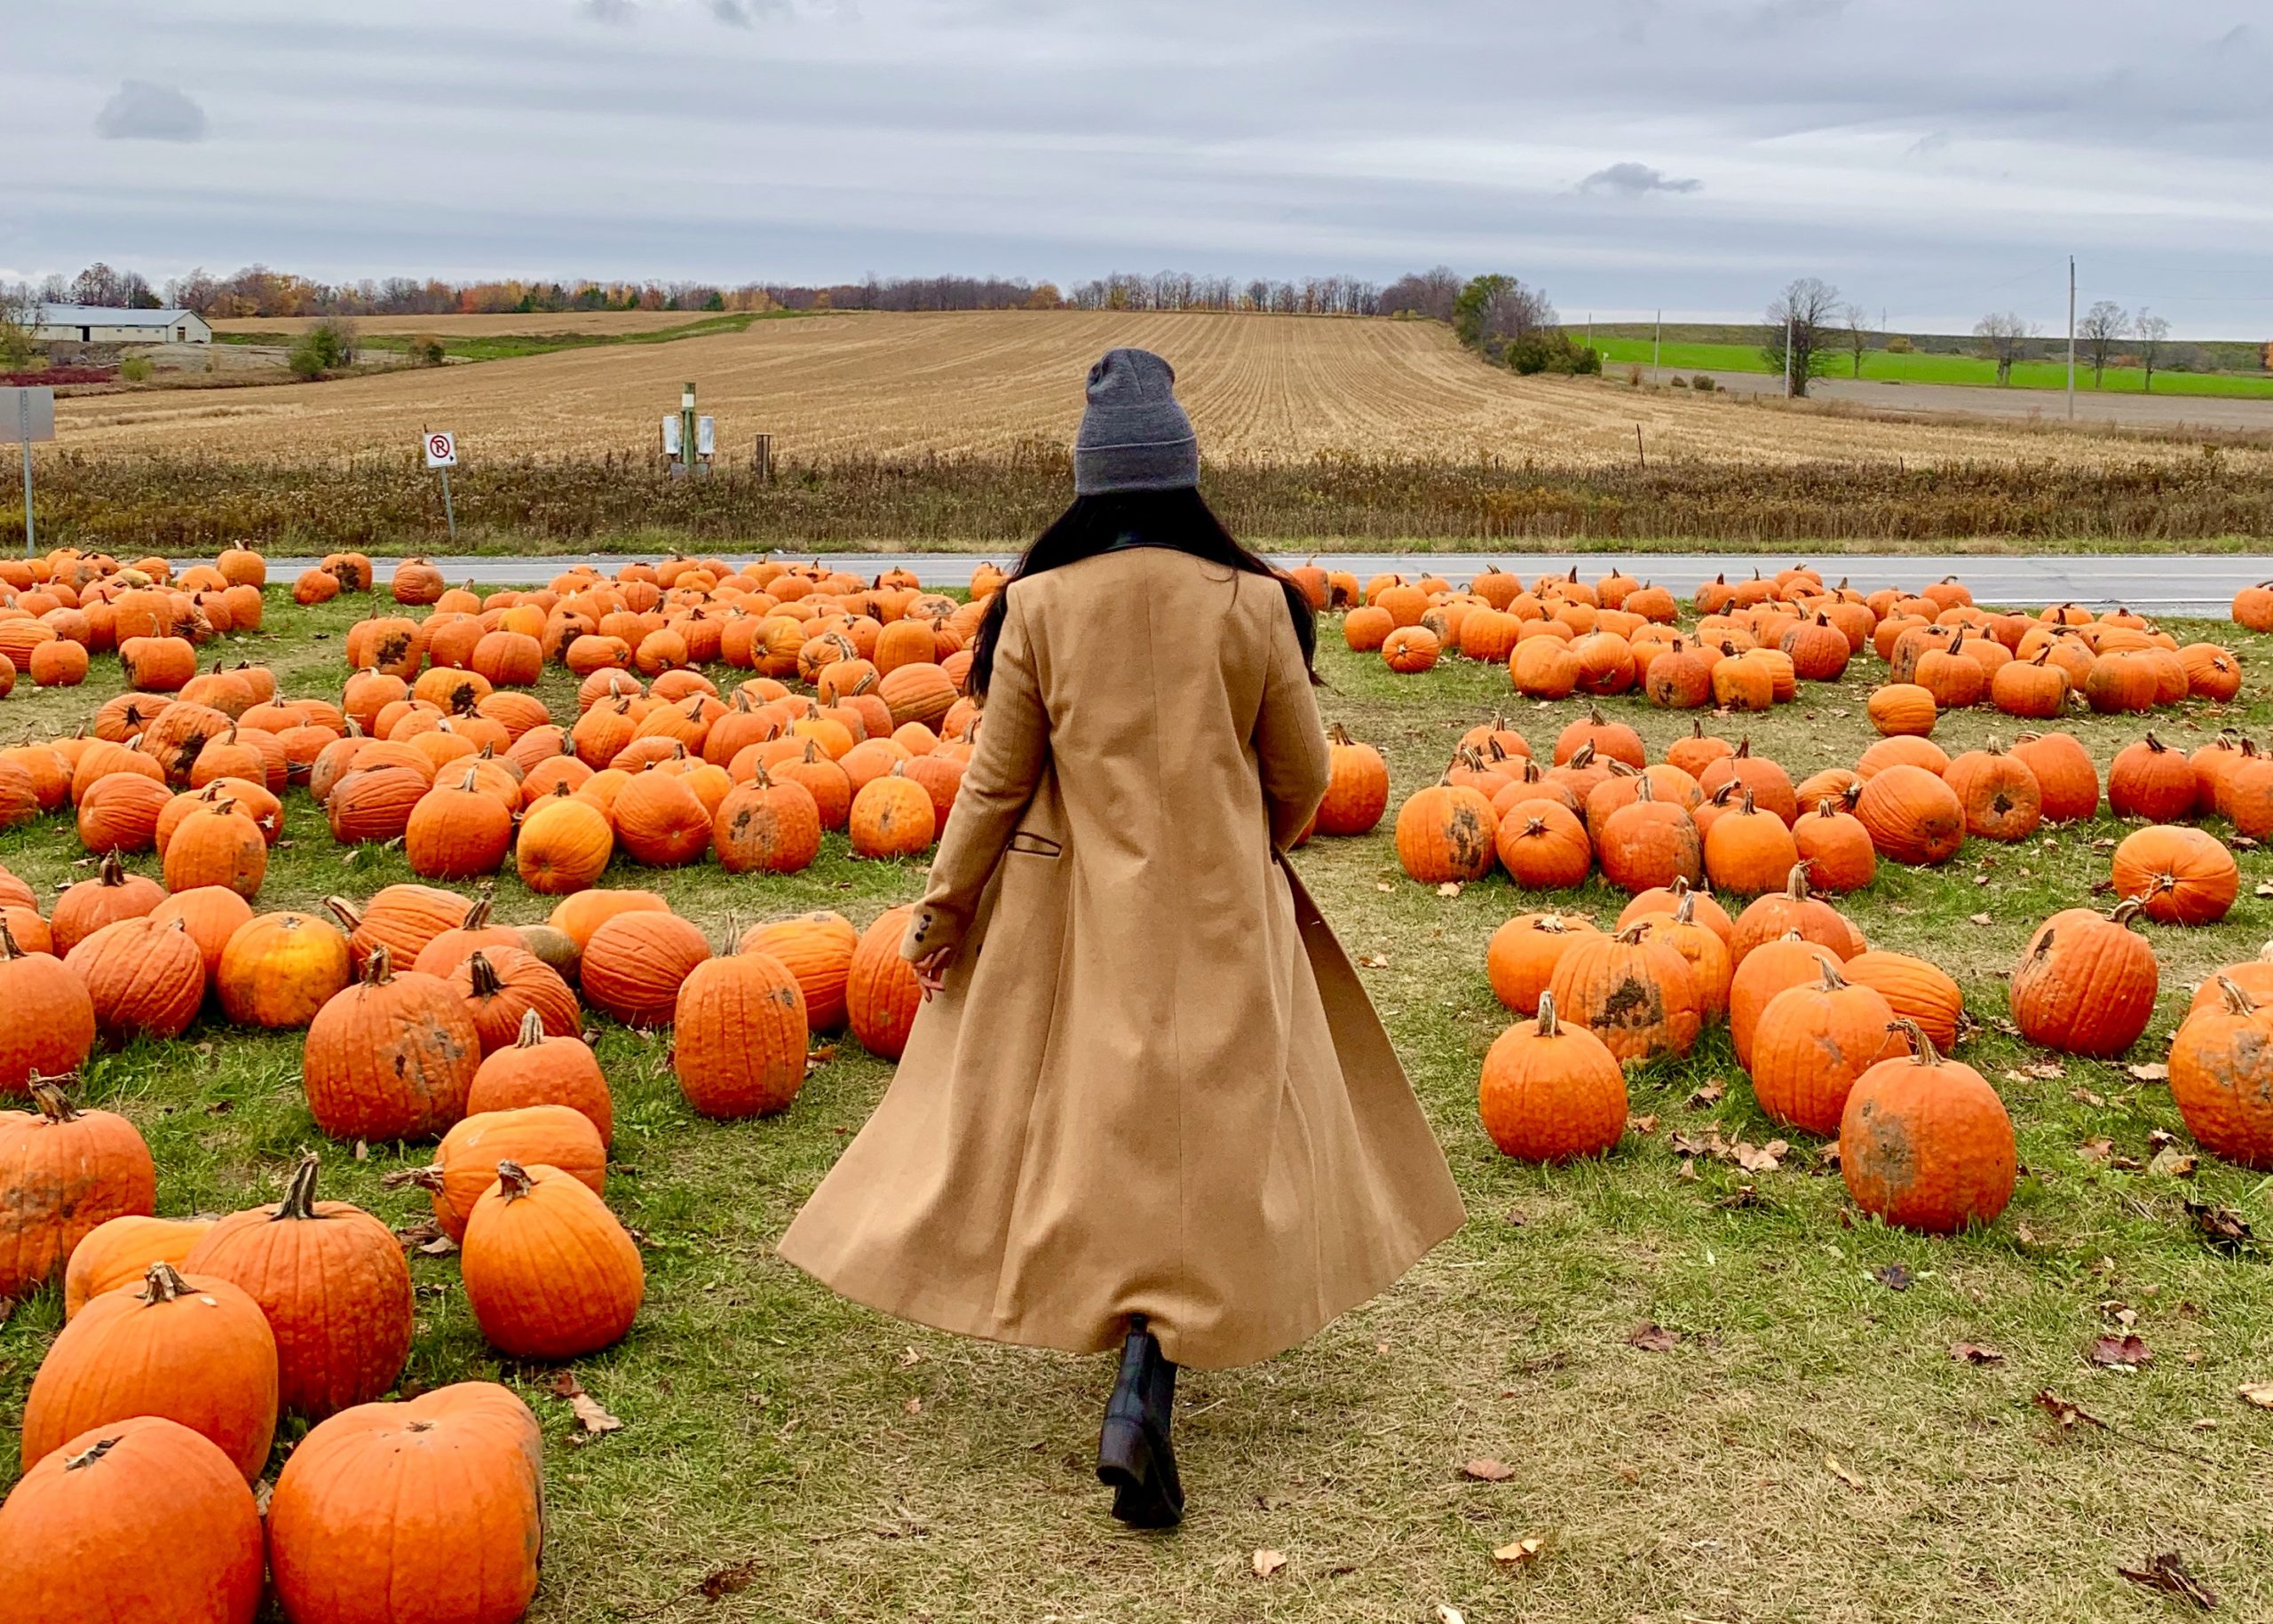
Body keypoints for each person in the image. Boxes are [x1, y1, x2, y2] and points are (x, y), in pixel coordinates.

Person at [778, 347, 1464, 1527]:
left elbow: (993, 789)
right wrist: (1252, 841)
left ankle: (1137, 1352)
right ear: (1187, 478)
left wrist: (943, 910)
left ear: (1089, 487)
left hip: (1084, 919)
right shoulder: (1253, 604)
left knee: (1105, 1121)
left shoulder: (1036, 608)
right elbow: (1304, 776)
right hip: (1222, 913)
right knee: (1213, 1126)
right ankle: (1150, 1368)